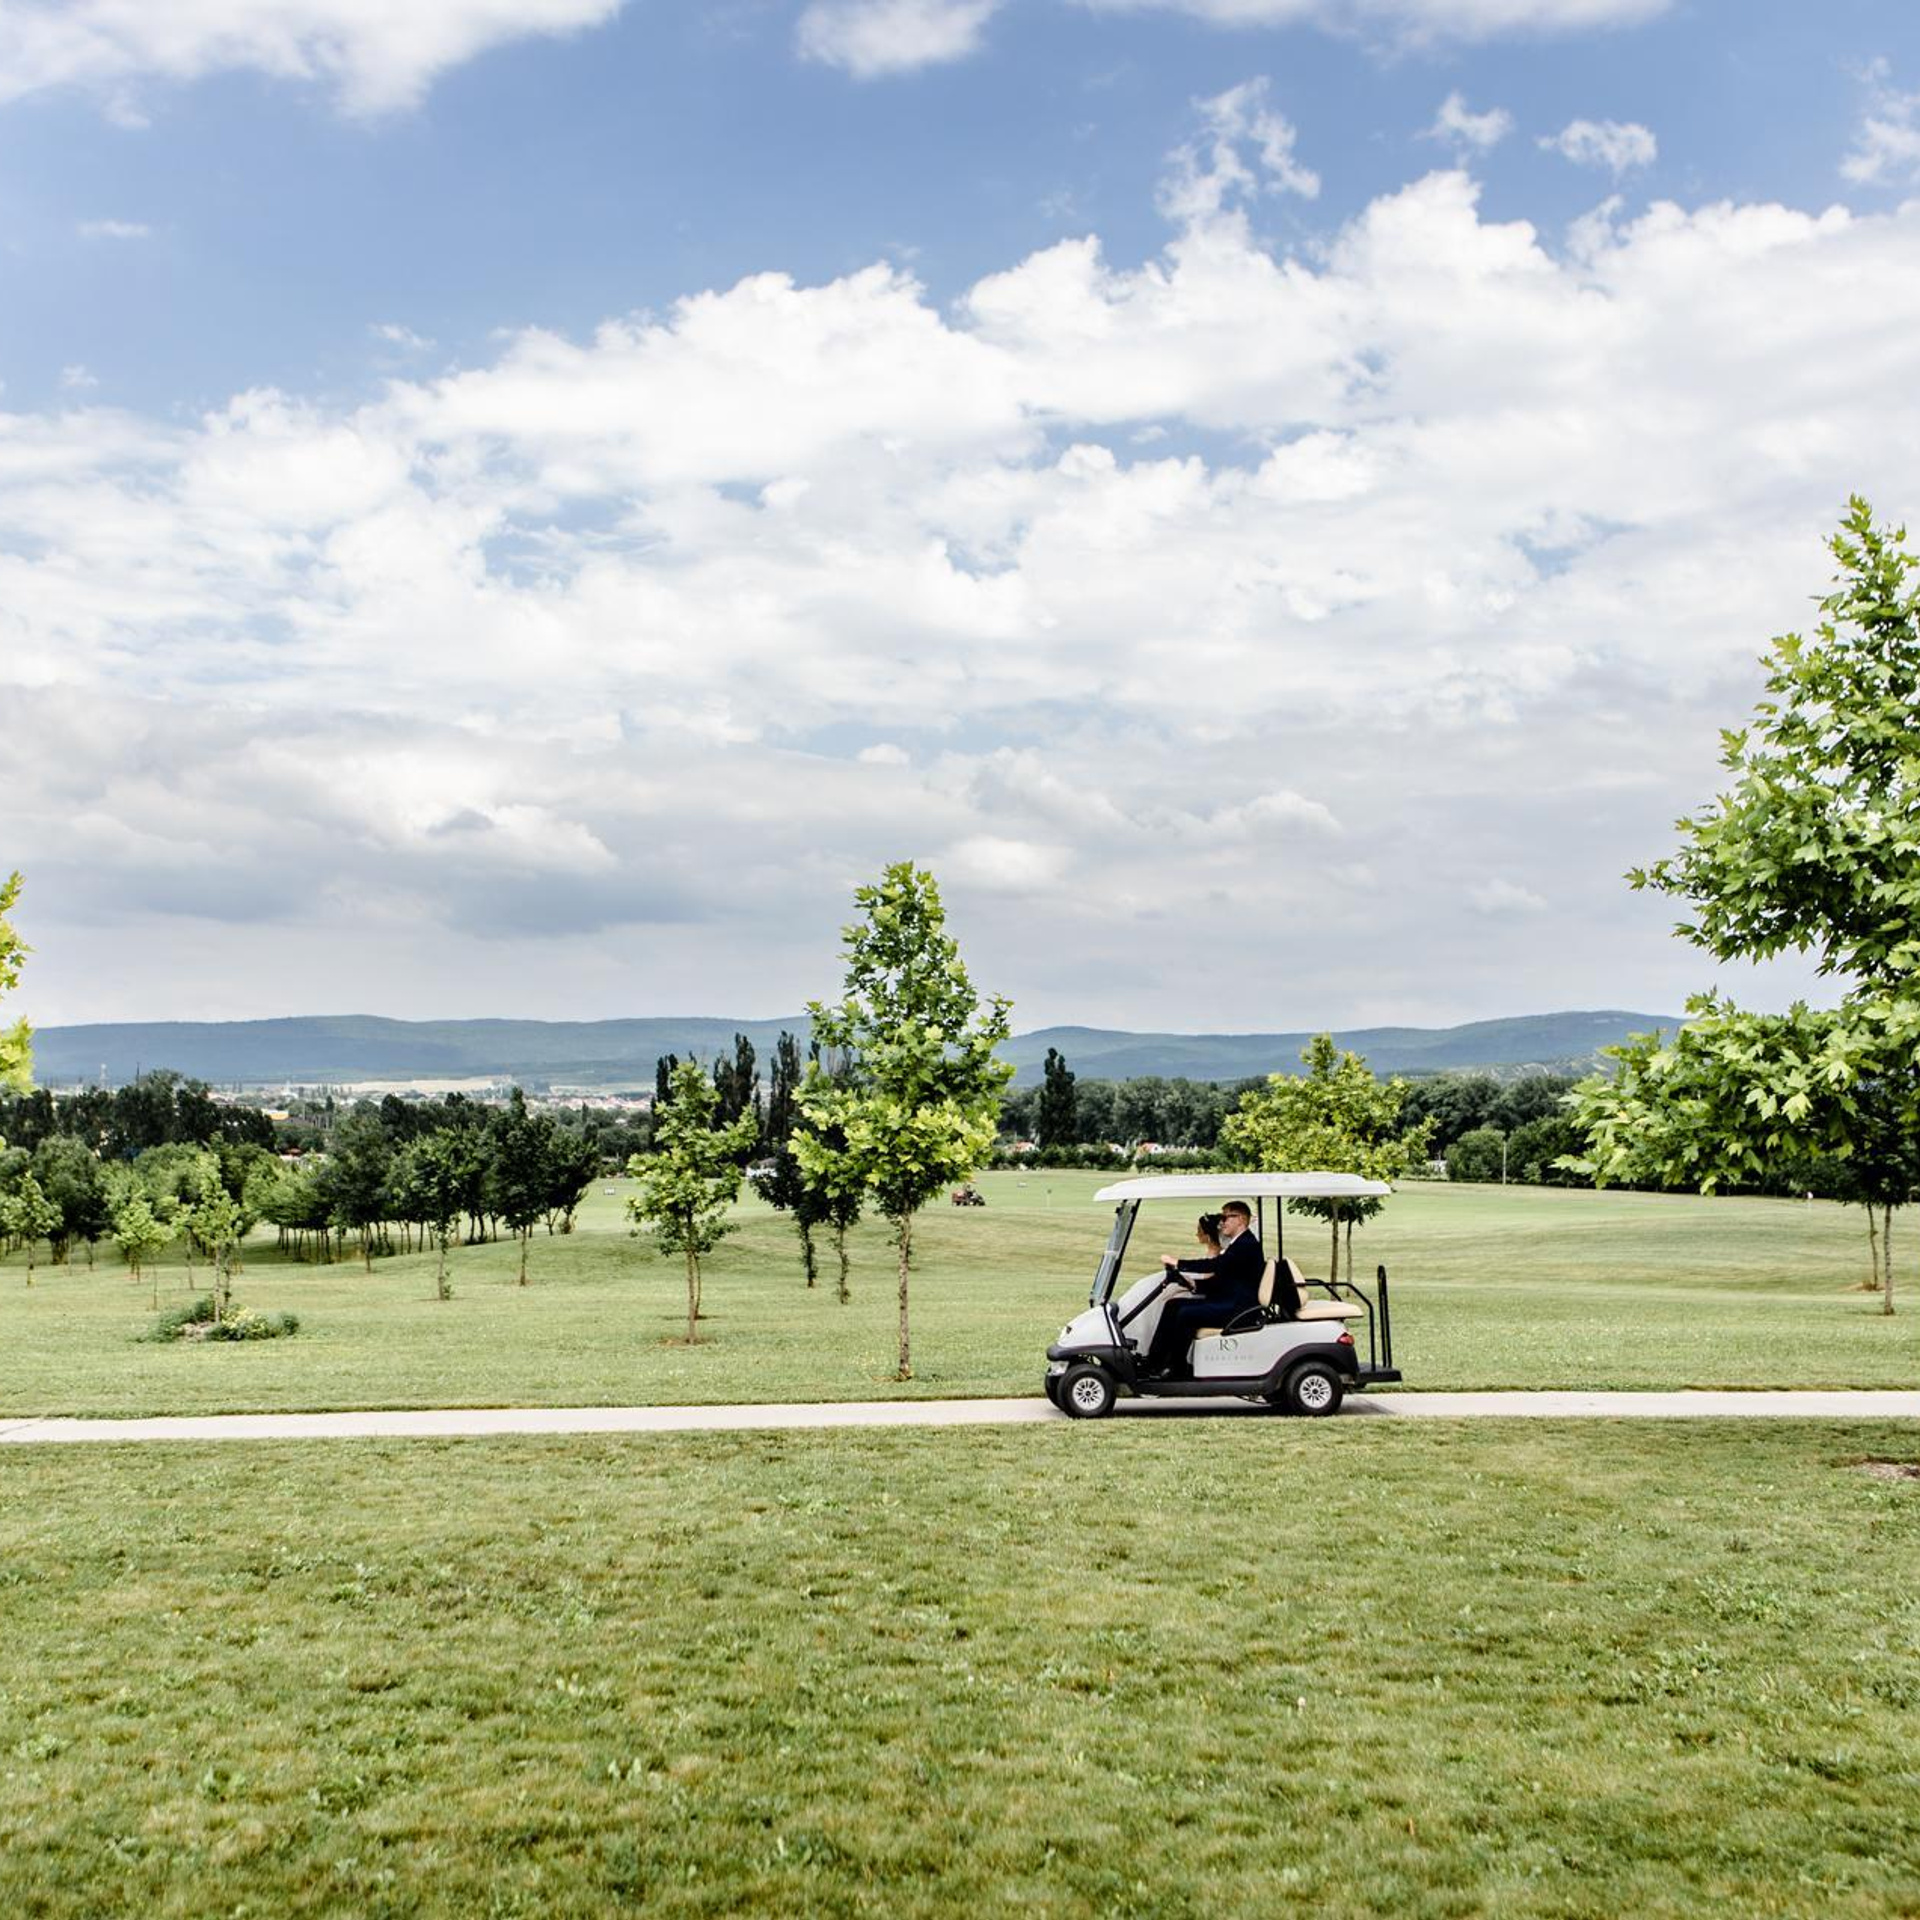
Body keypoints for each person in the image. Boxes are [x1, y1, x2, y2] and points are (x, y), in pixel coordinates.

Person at [1142, 1199, 1264, 1377]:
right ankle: (1154, 1360)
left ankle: (1177, 1368)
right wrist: (1195, 1285)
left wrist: (1178, 1263)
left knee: (1186, 1314)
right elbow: (1223, 1279)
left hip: (1238, 1308)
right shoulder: (1238, 1244)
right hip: (1230, 1300)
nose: (1221, 1222)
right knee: (1173, 1305)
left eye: (1226, 1217)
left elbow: (1214, 1265)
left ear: (1241, 1219)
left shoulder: (1246, 1245)